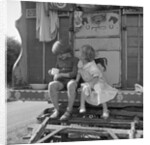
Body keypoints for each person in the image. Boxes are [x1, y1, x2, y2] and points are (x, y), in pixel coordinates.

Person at [75, 45, 118, 119]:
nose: (79, 54)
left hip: (97, 81)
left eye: (80, 53)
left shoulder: (92, 66)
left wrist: (91, 85)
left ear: (85, 56)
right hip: (89, 81)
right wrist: (76, 81)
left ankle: (105, 109)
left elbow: (96, 77)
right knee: (84, 88)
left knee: (99, 90)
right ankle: (82, 106)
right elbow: (79, 72)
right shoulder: (80, 63)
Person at [48, 41, 78, 121]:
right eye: (58, 55)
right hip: (61, 82)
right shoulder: (59, 60)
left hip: (71, 81)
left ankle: (69, 110)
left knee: (71, 84)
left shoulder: (75, 60)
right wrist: (52, 72)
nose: (60, 56)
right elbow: (56, 72)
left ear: (67, 51)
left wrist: (61, 74)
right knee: (51, 85)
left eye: (61, 54)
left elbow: (73, 74)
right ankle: (57, 110)